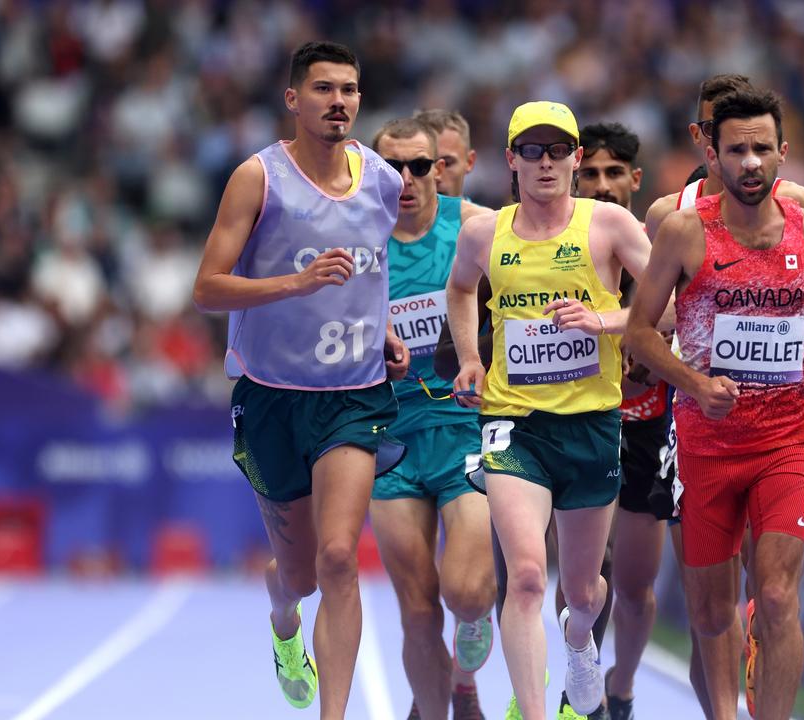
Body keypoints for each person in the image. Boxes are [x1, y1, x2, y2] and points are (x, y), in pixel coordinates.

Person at [644, 74, 804, 717]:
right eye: (723, 138)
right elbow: (642, 319)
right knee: (711, 603)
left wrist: (803, 332)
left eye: (760, 145)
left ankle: (767, 666)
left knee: (775, 593)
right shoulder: (673, 217)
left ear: (778, 147)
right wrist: (687, 345)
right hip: (702, 423)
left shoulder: (801, 209)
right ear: (705, 141)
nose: (746, 157)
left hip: (783, 421)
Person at [192, 41, 409, 720]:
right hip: (272, 397)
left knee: (342, 556)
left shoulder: (383, 181)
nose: (337, 101)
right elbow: (207, 289)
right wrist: (297, 282)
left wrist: (388, 329)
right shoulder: (257, 178)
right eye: (322, 89)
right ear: (294, 100)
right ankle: (284, 621)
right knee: (302, 574)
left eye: (348, 90)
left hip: (353, 392)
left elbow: (373, 274)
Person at [445, 101, 653, 720]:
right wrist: (469, 359)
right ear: (511, 160)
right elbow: (459, 288)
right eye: (531, 151)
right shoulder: (485, 233)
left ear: (576, 158)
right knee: (529, 577)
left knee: (582, 592)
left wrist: (606, 320)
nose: (545, 162)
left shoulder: (608, 225)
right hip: (515, 426)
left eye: (557, 150)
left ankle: (580, 640)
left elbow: (674, 304)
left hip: (592, 424)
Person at [368, 117, 496, 720]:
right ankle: (438, 707)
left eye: (419, 166)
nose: (407, 179)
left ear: (438, 169)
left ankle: (465, 670)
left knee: (469, 594)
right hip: (390, 438)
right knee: (417, 608)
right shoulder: (359, 242)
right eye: (392, 167)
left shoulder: (475, 227)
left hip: (463, 427)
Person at [573, 122, 664, 720]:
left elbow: (681, 315)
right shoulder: (559, 244)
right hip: (579, 425)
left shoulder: (667, 243)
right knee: (580, 579)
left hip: (648, 430)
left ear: (635, 178)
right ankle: (573, 693)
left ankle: (621, 688)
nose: (603, 186)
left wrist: (628, 333)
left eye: (615, 174)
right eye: (592, 174)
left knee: (632, 588)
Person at [414, 109, 477, 198]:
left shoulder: (491, 212)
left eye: (447, 164)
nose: (436, 176)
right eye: (423, 164)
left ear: (469, 162)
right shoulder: (390, 212)